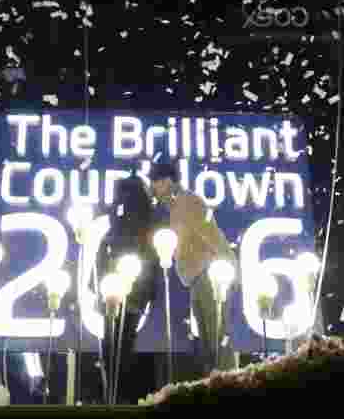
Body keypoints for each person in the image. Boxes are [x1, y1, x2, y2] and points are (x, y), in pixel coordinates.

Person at [148, 161, 239, 378]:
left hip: (209, 276)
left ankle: (229, 386)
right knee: (208, 343)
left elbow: (212, 234)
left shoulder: (188, 201)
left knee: (216, 338)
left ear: (167, 181)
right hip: (197, 280)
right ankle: (217, 384)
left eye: (156, 183)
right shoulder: (176, 208)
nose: (153, 189)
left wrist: (229, 269)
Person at [98, 175, 160, 404]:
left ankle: (115, 395)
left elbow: (118, 243)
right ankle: (117, 394)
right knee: (120, 344)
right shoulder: (135, 218)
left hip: (127, 285)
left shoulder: (129, 219)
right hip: (128, 287)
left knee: (116, 345)